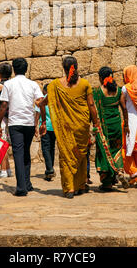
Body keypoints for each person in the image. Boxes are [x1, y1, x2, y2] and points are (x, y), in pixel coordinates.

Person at [39, 56, 100, 199]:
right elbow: (91, 105)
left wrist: (43, 121)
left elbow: (43, 103)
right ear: (76, 66)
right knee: (81, 154)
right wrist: (96, 122)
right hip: (82, 125)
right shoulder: (84, 84)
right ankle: (80, 185)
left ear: (64, 68)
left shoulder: (54, 85)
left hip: (65, 128)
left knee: (66, 155)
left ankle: (69, 189)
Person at [0, 58, 44, 197]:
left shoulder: (8, 85)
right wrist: (41, 122)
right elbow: (40, 103)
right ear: (26, 69)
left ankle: (21, 187)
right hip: (28, 123)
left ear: (14, 70)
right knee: (25, 153)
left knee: (18, 154)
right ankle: (27, 183)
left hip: (15, 123)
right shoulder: (33, 84)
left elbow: (4, 106)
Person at [93, 67, 129, 191]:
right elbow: (124, 109)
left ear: (101, 78)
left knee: (104, 152)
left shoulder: (97, 92)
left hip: (104, 128)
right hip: (116, 126)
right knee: (116, 150)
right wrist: (126, 125)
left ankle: (107, 182)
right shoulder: (118, 91)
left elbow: (92, 109)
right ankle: (119, 171)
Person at [35, 83, 56, 182]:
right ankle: (49, 170)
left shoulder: (42, 99)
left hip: (45, 127)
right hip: (55, 127)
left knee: (45, 148)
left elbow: (38, 114)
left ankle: (49, 169)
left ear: (44, 91)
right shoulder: (55, 99)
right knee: (52, 147)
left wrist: (36, 126)